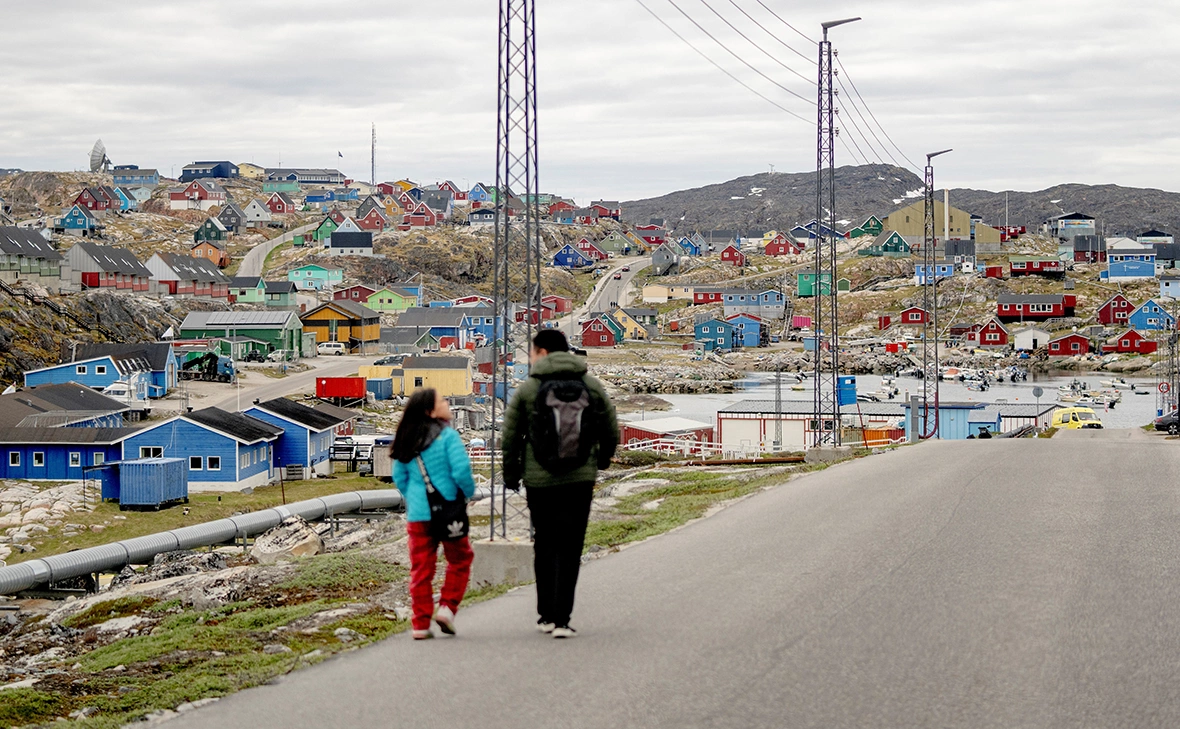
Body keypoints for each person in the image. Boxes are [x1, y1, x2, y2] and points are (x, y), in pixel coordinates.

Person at [502, 330, 618, 639]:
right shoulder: (591, 385)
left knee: (545, 542)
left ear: (541, 352)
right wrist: (601, 460)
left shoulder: (529, 389)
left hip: (540, 481)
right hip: (580, 478)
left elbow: (510, 436)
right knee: (570, 545)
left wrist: (511, 474)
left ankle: (546, 616)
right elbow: (611, 428)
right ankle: (563, 619)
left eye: (532, 352)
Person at [392, 388, 477, 640]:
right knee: (460, 559)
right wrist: (466, 494)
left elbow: (400, 478)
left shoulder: (406, 437)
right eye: (442, 400)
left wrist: (417, 498)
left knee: (421, 569)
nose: (447, 402)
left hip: (418, 515)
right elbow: (461, 471)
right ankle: (447, 608)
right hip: (448, 510)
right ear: (431, 411)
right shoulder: (448, 436)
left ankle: (420, 624)